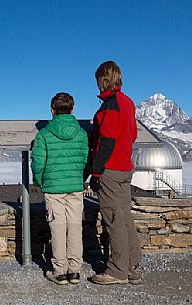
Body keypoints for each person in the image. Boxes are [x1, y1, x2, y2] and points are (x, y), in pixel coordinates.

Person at [88, 61, 142, 285]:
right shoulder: (128, 102)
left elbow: (107, 141)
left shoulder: (110, 105)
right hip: (125, 167)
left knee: (113, 219)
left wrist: (96, 172)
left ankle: (117, 270)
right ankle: (131, 264)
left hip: (110, 169)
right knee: (125, 216)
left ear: (102, 80)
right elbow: (132, 135)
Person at [31, 93, 88, 285]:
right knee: (74, 226)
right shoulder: (81, 133)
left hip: (53, 187)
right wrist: (79, 178)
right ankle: (75, 270)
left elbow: (38, 163)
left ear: (52, 111)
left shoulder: (44, 134)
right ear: (72, 109)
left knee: (57, 226)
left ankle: (60, 270)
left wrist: (41, 182)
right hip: (75, 186)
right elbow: (84, 159)